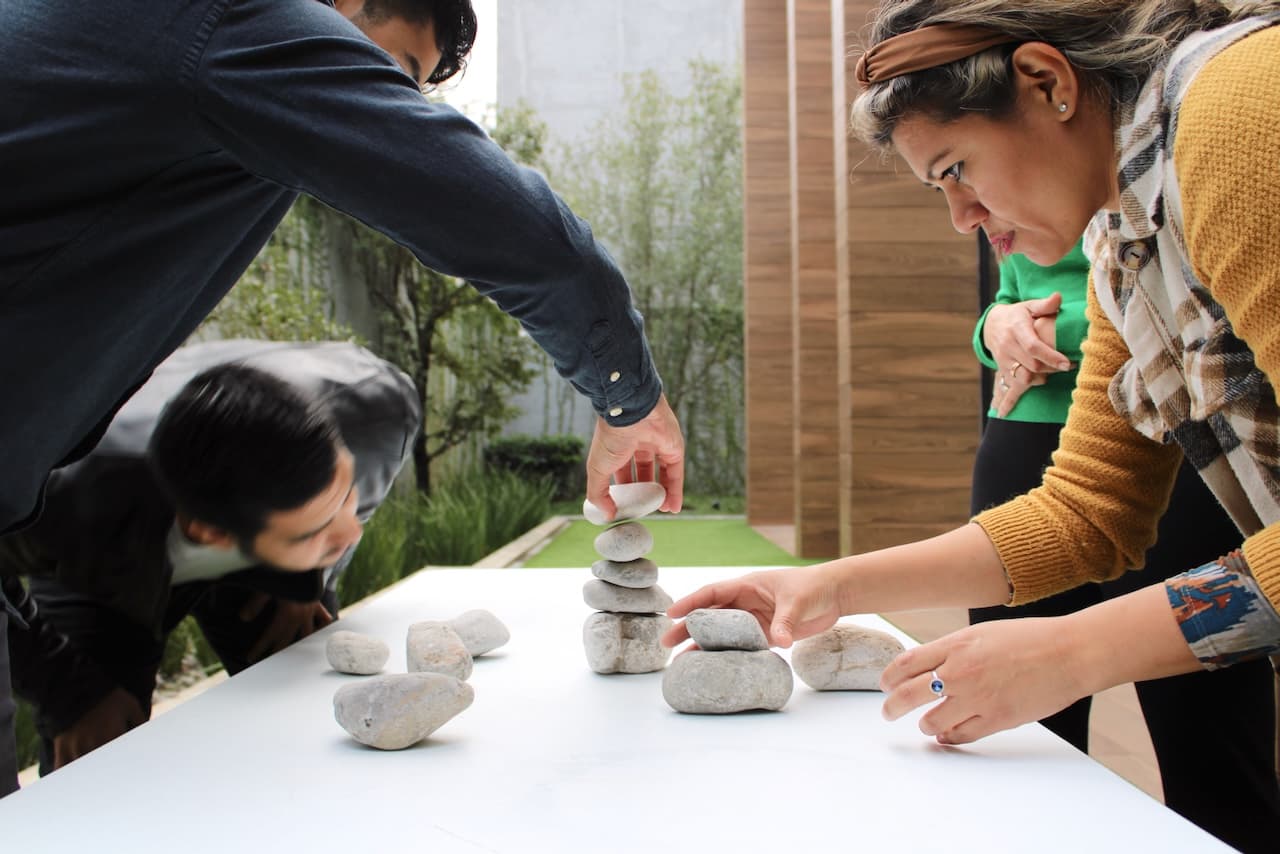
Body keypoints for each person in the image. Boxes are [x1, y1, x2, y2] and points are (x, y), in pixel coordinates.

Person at [0, 0, 685, 795]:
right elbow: (504, 222)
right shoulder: (232, 21)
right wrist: (628, 400)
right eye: (392, 74)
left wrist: (288, 589)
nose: (380, 106)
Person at [664, 2, 1280, 849]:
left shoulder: (1242, 109)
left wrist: (1074, 653)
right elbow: (1087, 512)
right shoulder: (1123, 237)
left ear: (1047, 82)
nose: (961, 219)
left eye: (957, 169)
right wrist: (827, 586)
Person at [971, 242, 1280, 845]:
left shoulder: (1161, 191)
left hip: (1179, 423)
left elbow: (1179, 300)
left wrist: (1051, 328)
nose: (970, 221)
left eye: (959, 172)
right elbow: (1017, 289)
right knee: (1020, 746)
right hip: (1025, 419)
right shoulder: (1058, 224)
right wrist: (994, 326)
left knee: (1208, 740)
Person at [2, 339, 420, 773]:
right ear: (211, 534)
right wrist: (68, 689)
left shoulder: (374, 413)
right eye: (318, 529)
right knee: (96, 739)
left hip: (255, 519)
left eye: (346, 496)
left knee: (306, 683)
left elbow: (344, 512)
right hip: (104, 561)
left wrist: (308, 577)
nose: (354, 533)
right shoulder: (48, 500)